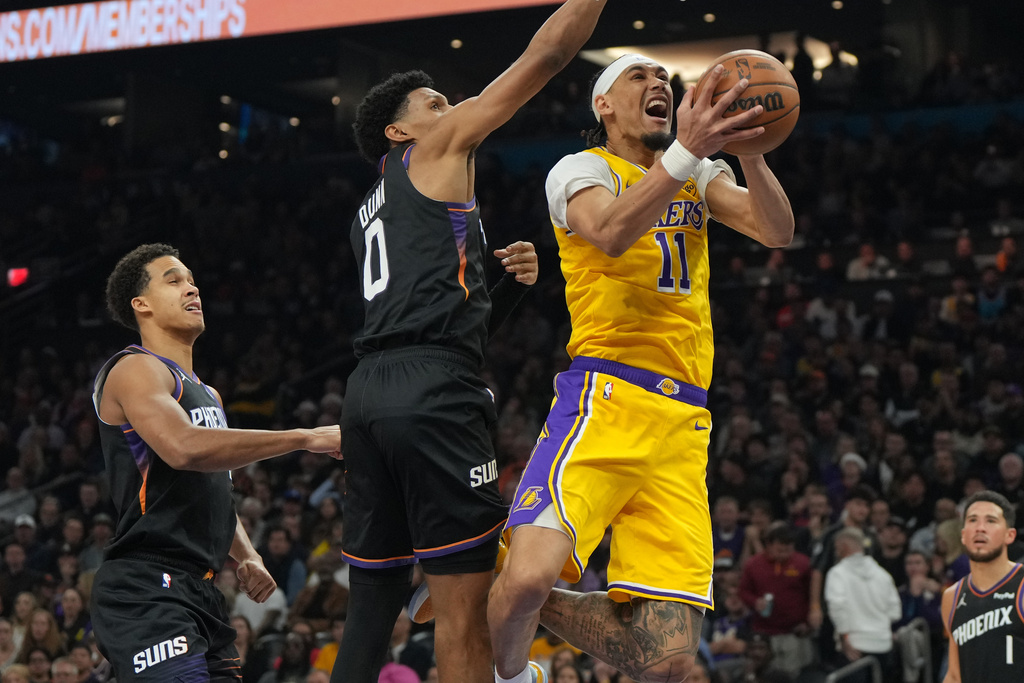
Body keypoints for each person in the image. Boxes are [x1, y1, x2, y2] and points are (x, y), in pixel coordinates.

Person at [488, 51, 793, 683]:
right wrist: (688, 151)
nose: (659, 83)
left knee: (672, 663)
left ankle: (495, 595)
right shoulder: (580, 169)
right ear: (603, 106)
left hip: (683, 418)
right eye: (639, 77)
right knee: (526, 578)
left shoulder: (697, 172)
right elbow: (609, 231)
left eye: (664, 78)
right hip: (607, 396)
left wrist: (752, 147)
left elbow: (776, 230)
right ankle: (514, 675)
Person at [334, 2, 608, 682]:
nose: (452, 106)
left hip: (368, 393)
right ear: (400, 129)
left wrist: (500, 288)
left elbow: (436, 317)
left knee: (370, 613)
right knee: (465, 613)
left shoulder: (373, 208)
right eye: (435, 102)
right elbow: (544, 58)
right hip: (434, 391)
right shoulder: (434, 147)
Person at [89, 243, 341, 681]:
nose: (192, 287)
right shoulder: (135, 369)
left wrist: (245, 553)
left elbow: (215, 487)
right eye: (174, 280)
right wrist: (306, 437)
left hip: (201, 590)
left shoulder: (209, 394)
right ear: (141, 304)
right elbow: (183, 448)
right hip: (147, 584)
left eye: (191, 279)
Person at [941, 491, 1024, 682]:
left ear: (1009, 535)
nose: (980, 528)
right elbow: (954, 675)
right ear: (963, 535)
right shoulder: (952, 596)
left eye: (991, 521)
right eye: (972, 520)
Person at [823, 528, 900, 683]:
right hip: (882, 644)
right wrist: (882, 626)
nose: (836, 552)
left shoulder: (837, 573)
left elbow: (837, 606)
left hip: (854, 646)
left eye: (837, 548)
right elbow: (895, 612)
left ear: (843, 546)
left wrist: (844, 637)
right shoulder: (882, 574)